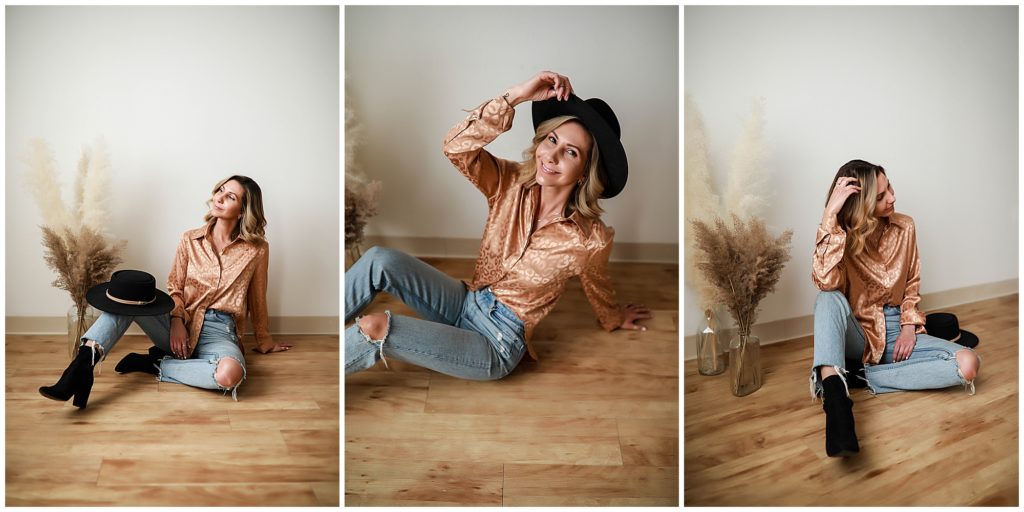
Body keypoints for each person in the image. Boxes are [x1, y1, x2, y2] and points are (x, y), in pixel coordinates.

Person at [345, 71, 651, 380]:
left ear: (585, 171)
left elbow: (597, 284)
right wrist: (516, 96)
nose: (552, 156)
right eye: (552, 139)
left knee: (375, 327)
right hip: (466, 300)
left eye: (571, 152)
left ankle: (316, 376)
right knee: (379, 260)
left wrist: (614, 317)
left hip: (496, 342)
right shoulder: (509, 182)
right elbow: (455, 147)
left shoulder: (590, 239)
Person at [39, 175, 292, 408]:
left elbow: (258, 297)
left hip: (219, 332)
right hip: (179, 323)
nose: (219, 197)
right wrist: (177, 319)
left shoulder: (256, 250)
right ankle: (80, 368)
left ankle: (156, 363)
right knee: (131, 297)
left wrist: (264, 339)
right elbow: (175, 287)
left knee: (230, 375)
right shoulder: (189, 239)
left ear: (243, 211)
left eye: (231, 197)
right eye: (221, 190)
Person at [810, 159, 981, 457]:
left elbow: (912, 283)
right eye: (880, 196)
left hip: (898, 328)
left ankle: (858, 377)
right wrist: (829, 216)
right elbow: (825, 281)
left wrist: (908, 328)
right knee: (827, 298)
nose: (892, 197)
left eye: (889, 187)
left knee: (968, 364)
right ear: (860, 205)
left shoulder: (905, 226)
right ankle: (836, 399)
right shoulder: (841, 235)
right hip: (859, 331)